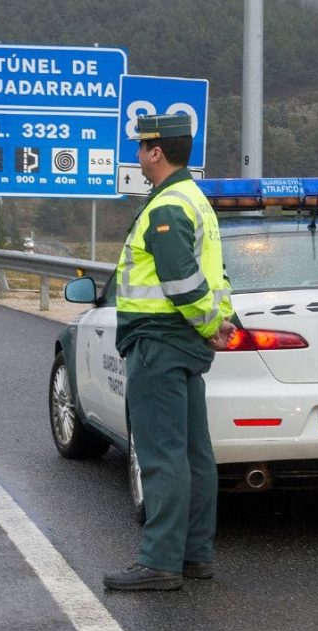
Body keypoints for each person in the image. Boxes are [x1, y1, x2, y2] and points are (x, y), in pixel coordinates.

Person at [103, 114, 235, 591]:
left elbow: (181, 280)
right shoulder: (196, 200)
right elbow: (216, 275)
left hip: (159, 342)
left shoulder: (167, 206)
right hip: (185, 344)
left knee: (162, 456)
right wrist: (219, 322)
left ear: (156, 152)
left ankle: (159, 560)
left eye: (142, 147)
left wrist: (210, 323)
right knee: (195, 454)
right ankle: (194, 555)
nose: (138, 155)